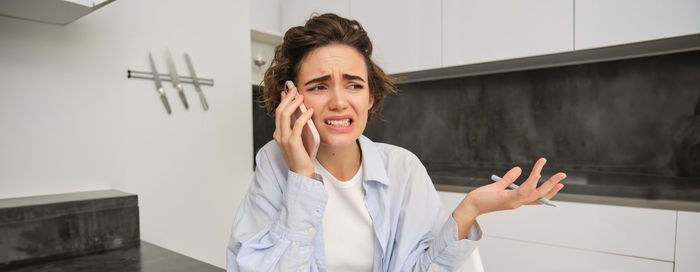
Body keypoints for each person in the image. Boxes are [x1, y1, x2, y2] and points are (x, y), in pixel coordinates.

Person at [227, 13, 566, 272]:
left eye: (354, 85)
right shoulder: (275, 164)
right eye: (318, 86)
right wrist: (300, 176)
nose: (339, 101)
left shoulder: (402, 168)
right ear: (291, 97)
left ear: (371, 97)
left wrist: (470, 209)